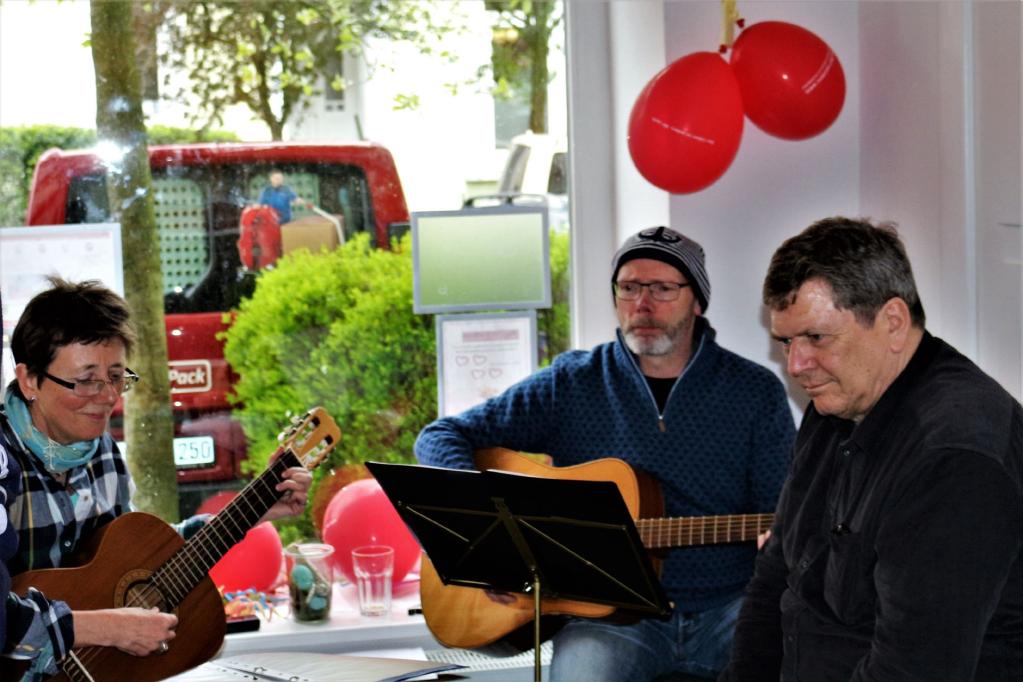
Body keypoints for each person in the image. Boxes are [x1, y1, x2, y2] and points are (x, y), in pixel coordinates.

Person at [415, 226, 796, 680]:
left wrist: (785, 544)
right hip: (612, 620)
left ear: (697, 301)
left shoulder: (754, 392)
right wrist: (486, 534)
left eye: (662, 288)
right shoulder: (572, 382)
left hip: (728, 610)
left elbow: (784, 513)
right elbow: (441, 435)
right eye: (629, 287)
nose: (642, 304)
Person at [722, 217, 1023, 680]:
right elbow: (775, 576)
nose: (797, 365)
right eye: (785, 341)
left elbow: (914, 670)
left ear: (893, 323)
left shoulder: (955, 454)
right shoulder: (838, 401)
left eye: (817, 338)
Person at [0, 278, 312, 680]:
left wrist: (253, 510)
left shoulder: (104, 454)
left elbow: (137, 564)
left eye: (116, 376)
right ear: (29, 380)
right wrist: (109, 628)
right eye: (85, 380)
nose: (107, 395)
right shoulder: (5, 461)